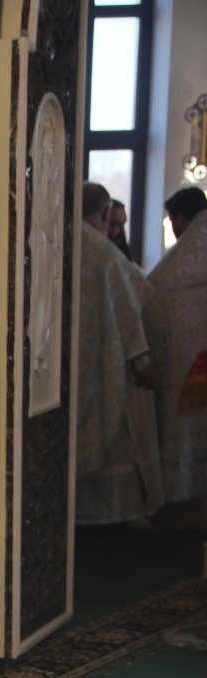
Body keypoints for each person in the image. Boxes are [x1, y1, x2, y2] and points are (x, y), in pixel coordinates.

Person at [76, 182, 162, 524]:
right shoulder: (104, 253)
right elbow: (128, 315)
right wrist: (141, 363)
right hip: (100, 362)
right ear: (103, 213)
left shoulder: (53, 239)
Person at [142, 186, 207, 507]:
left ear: (182, 217)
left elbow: (151, 291)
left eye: (171, 221)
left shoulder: (190, 253)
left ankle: (185, 485)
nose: (173, 227)